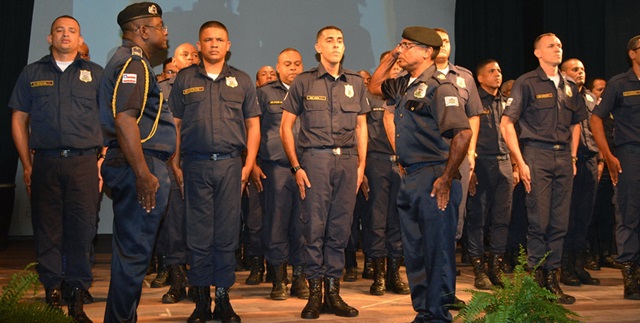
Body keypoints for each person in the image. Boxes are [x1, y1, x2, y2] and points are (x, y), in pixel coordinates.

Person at [369, 26, 471, 322]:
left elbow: (463, 135)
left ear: (427, 51)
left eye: (407, 45)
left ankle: (438, 315)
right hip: (411, 176)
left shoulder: (441, 87)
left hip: (434, 177)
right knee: (415, 251)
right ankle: (425, 312)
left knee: (436, 251)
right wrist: (392, 56)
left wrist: (447, 178)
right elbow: (375, 86)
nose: (401, 50)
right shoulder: (404, 84)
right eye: (400, 44)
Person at [9, 15, 103, 322]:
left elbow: (111, 122)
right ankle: (51, 288)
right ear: (50, 38)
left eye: (72, 31)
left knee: (82, 228)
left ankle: (75, 293)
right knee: (47, 228)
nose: (65, 35)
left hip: (84, 163)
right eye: (59, 31)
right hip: (45, 161)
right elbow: (19, 120)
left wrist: (101, 162)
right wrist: (27, 163)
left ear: (79, 39)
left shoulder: (96, 74)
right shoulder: (31, 73)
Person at [169, 20, 261, 322]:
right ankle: (200, 300)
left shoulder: (243, 80)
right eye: (208, 39)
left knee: (226, 234)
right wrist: (175, 163)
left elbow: (253, 126)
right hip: (194, 165)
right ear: (199, 45)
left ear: (228, 45)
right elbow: (176, 126)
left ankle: (222, 298)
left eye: (219, 39)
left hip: (231, 165)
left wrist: (247, 166)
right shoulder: (184, 80)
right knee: (197, 235)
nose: (214, 44)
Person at [280, 25, 369, 319]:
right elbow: (286, 127)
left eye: (340, 41)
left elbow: (361, 127)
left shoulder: (355, 82)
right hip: (315, 161)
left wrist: (361, 167)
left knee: (340, 230)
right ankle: (315, 294)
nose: (335, 45)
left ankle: (334, 293)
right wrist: (296, 166)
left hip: (347, 162)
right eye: (329, 41)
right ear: (318, 47)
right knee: (314, 229)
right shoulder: (304, 82)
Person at [98, 3, 176, 321]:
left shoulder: (131, 61)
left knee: (129, 256)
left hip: (134, 164)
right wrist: (144, 174)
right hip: (139, 166)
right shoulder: (134, 64)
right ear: (143, 31)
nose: (165, 30)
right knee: (134, 258)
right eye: (160, 25)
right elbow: (125, 121)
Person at [500, 33, 587, 305]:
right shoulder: (527, 82)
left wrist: (572, 157)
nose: (558, 49)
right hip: (536, 154)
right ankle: (537, 278)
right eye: (551, 46)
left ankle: (552, 279)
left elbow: (576, 124)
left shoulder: (570, 85)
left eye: (560, 45)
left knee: (560, 222)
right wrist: (520, 161)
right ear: (538, 53)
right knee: (539, 220)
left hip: (563, 158)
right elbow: (506, 124)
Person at [254, 48, 308, 300]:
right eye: (288, 64)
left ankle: (299, 278)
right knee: (275, 224)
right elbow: (252, 130)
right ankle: (279, 280)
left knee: (303, 224)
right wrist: (252, 162)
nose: (293, 68)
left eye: (297, 64)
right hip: (276, 168)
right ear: (278, 67)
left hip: (307, 168)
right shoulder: (264, 93)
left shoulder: (310, 91)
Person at [591, 34, 640, 301]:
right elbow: (596, 119)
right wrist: (608, 155)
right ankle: (630, 276)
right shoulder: (619, 84)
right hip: (630, 153)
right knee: (629, 213)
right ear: (632, 54)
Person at [151, 42, 201, 305]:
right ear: (175, 61)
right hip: (170, 165)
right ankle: (178, 280)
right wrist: (172, 164)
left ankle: (198, 281)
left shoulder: (207, 86)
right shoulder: (160, 90)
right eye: (185, 55)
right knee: (174, 226)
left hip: (201, 165)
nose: (191, 58)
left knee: (198, 226)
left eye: (195, 54)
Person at [465, 59, 515, 290]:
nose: (498, 74)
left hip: (504, 163)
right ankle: (479, 270)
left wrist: (515, 166)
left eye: (499, 70)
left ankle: (496, 267)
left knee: (502, 220)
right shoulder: (473, 103)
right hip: (481, 164)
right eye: (492, 71)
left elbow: (515, 135)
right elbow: (465, 134)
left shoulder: (507, 103)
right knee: (477, 219)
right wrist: (469, 167)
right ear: (480, 78)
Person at [559, 58, 601, 286]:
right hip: (568, 159)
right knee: (569, 216)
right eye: (575, 69)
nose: (580, 72)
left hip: (590, 161)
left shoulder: (590, 97)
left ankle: (578, 265)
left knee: (585, 216)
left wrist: (601, 158)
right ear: (563, 73)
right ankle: (564, 268)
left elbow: (597, 128)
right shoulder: (562, 94)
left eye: (583, 69)